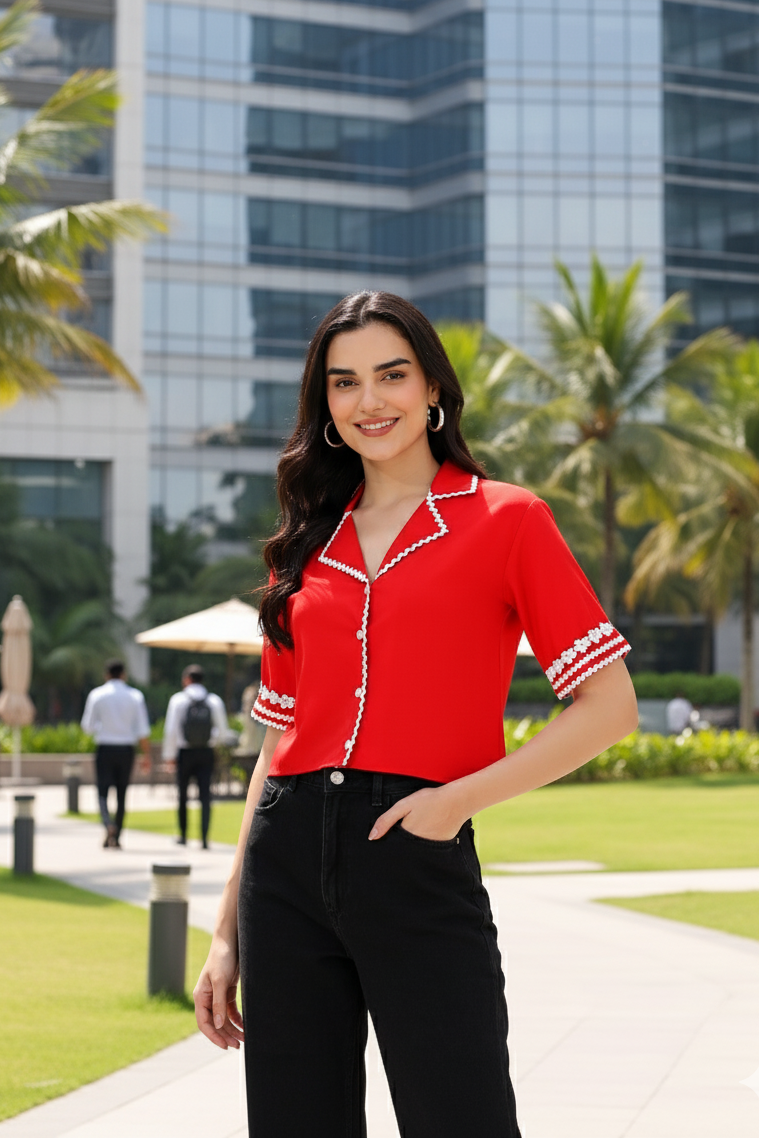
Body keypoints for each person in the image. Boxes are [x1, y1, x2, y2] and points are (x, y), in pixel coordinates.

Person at [193, 292, 638, 1138]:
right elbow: (277, 740)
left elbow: (608, 707)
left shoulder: (507, 519)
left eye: (391, 375)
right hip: (282, 865)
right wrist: (224, 932)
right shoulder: (305, 545)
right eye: (344, 382)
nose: (370, 401)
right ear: (323, 405)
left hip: (414, 847)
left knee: (460, 1116)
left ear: (433, 386)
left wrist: (453, 801)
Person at [81, 659, 150, 849]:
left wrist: (103, 726)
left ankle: (107, 824)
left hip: (105, 747)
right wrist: (146, 755)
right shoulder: (135, 696)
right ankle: (117, 835)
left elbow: (87, 727)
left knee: (102, 791)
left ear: (106, 675)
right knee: (122, 793)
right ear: (124, 674)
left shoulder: (97, 695)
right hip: (126, 750)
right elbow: (142, 730)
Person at [163, 664, 228, 849]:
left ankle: (183, 835)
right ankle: (205, 838)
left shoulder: (178, 700)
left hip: (185, 753)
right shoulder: (214, 700)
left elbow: (171, 730)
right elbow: (222, 731)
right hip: (206, 753)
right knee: (205, 796)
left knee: (182, 795)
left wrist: (169, 756)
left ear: (186, 680)